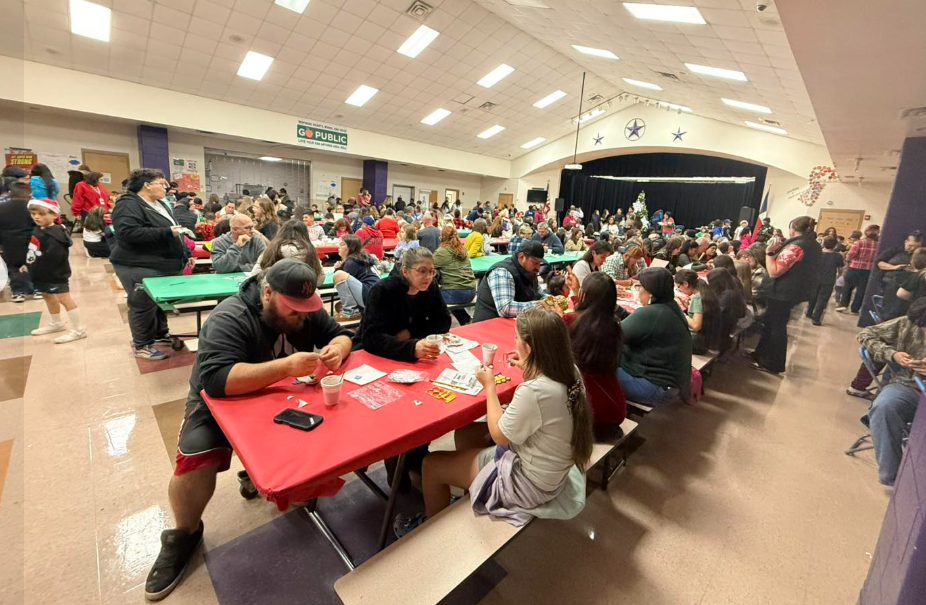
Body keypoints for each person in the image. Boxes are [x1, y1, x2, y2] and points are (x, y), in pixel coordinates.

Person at [144, 259, 352, 600]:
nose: (301, 315)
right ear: (268, 292)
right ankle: (184, 533)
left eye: (306, 308)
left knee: (324, 429)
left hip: (281, 396)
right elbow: (217, 380)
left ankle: (273, 476)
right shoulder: (229, 317)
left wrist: (337, 350)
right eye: (293, 309)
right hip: (218, 401)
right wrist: (285, 367)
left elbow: (342, 334)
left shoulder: (303, 308)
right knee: (197, 455)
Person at [395, 307, 593, 534]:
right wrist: (529, 364)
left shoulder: (534, 391)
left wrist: (489, 386)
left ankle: (430, 528)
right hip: (551, 471)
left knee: (431, 464)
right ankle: (472, 490)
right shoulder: (570, 371)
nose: (514, 342)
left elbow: (500, 436)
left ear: (529, 348)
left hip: (529, 485)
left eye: (516, 338)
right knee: (466, 433)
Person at [110, 169, 192, 360]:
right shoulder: (128, 204)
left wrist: (185, 253)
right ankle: (142, 345)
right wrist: (166, 232)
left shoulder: (159, 203)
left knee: (157, 303)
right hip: (139, 264)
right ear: (146, 185)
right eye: (161, 183)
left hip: (162, 262)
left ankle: (160, 334)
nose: (166, 187)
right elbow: (127, 232)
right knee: (142, 304)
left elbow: (175, 229)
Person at [856, 298, 926, 487]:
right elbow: (866, 334)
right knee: (884, 407)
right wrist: (893, 354)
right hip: (909, 386)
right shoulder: (908, 323)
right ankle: (893, 478)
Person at [751, 216, 822, 374]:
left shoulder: (795, 246)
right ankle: (760, 354)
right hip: (793, 290)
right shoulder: (814, 245)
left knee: (776, 327)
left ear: (793, 229)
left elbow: (774, 271)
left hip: (782, 292)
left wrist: (769, 253)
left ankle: (772, 363)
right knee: (769, 323)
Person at [358, 247, 451, 360]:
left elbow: (444, 321)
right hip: (374, 355)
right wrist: (412, 349)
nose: (428, 277)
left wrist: (411, 332)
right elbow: (371, 339)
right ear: (405, 271)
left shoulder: (431, 286)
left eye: (432, 271)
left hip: (405, 348)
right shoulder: (382, 290)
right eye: (422, 271)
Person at [563, 272, 627, 437]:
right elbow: (589, 316)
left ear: (584, 295)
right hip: (615, 406)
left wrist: (556, 318)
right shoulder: (615, 325)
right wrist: (576, 293)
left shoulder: (570, 321)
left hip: (588, 409)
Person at [618, 267, 693, 406]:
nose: (638, 290)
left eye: (639, 286)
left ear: (651, 292)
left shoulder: (652, 313)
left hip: (656, 388)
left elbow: (611, 337)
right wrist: (617, 310)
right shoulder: (670, 307)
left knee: (593, 371)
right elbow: (641, 325)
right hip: (674, 384)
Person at [22, 198, 86, 343]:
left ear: (54, 215)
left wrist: (45, 268)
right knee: (47, 295)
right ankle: (57, 323)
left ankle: (78, 330)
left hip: (55, 273)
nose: (37, 217)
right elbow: (34, 249)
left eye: (41, 214)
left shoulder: (56, 233)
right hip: (41, 272)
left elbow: (56, 256)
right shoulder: (39, 229)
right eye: (33, 214)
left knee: (64, 298)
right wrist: (28, 264)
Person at [473, 241, 549, 322]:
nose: (538, 268)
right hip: (488, 324)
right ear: (521, 257)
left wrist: (552, 300)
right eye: (535, 263)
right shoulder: (502, 272)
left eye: (539, 263)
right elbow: (505, 308)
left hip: (514, 324)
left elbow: (539, 294)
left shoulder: (530, 272)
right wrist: (541, 305)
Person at [251, 220, 324, 286]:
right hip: (305, 293)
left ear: (281, 232)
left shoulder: (272, 249)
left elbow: (255, 275)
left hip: (275, 292)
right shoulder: (310, 250)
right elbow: (319, 279)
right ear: (305, 234)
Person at [0, 180, 37, 302]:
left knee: (12, 267)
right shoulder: (31, 207)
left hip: (8, 241)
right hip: (30, 240)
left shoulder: (2, 207)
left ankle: (17, 292)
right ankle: (36, 289)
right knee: (33, 263)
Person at [433, 226, 477, 325]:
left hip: (455, 293)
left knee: (430, 295)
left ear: (441, 238)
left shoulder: (441, 252)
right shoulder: (463, 249)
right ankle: (464, 320)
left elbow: (429, 267)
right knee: (454, 292)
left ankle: (437, 326)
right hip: (471, 291)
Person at [332, 234, 380, 321]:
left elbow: (343, 284)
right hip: (376, 295)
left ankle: (351, 312)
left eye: (342, 244)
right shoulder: (359, 258)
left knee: (338, 275)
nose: (339, 247)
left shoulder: (351, 262)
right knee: (339, 305)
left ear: (350, 247)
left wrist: (337, 270)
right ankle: (356, 309)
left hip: (371, 295)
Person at [674, 269, 720, 355]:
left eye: (679, 287)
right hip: (707, 338)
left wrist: (681, 313)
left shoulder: (698, 298)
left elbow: (696, 326)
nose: (679, 290)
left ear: (685, 284)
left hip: (696, 342)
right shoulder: (706, 292)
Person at [837, 225, 880, 314]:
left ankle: (843, 305)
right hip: (868, 270)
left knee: (847, 287)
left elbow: (850, 255)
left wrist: (848, 261)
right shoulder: (878, 245)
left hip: (854, 268)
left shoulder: (859, 243)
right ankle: (855, 309)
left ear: (866, 232)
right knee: (861, 290)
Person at [805, 236, 845, 325]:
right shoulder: (838, 256)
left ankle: (809, 312)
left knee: (813, 296)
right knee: (823, 299)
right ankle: (816, 318)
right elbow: (840, 268)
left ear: (823, 243)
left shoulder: (817, 253)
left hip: (815, 278)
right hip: (828, 280)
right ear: (835, 245)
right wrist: (838, 276)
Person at [707, 268, 746, 353]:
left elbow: (715, 313)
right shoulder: (731, 288)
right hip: (727, 324)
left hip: (722, 328)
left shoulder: (728, 295)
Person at [881, 248, 926, 321]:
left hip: (892, 315)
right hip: (909, 315)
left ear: (912, 261)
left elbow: (901, 294)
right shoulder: (918, 276)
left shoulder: (902, 276)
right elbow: (901, 293)